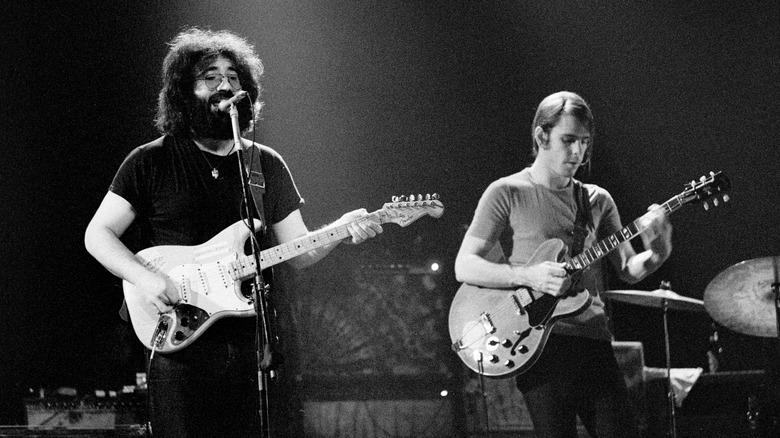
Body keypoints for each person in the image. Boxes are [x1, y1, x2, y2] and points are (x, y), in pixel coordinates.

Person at [83, 28, 382, 437]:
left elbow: (299, 252)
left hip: (252, 344)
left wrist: (341, 230)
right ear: (183, 92)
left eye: (233, 77)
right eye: (209, 77)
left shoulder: (265, 164)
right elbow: (98, 234)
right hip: (180, 340)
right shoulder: (151, 160)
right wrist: (143, 277)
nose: (224, 85)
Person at [454, 91, 672, 438]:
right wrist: (530, 276)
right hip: (538, 343)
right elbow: (465, 265)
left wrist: (658, 251)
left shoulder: (597, 200)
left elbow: (629, 269)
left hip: (593, 339)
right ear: (542, 136)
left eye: (584, 142)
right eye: (568, 140)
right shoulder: (506, 192)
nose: (578, 152)